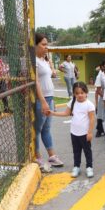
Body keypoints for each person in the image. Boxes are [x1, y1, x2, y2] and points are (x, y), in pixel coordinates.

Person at [51, 82, 95, 177]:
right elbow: (66, 113)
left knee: (87, 151)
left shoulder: (89, 105)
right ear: (74, 94)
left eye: (82, 93)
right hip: (74, 132)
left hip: (85, 133)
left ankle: (89, 167)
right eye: (77, 93)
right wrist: (53, 113)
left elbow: (92, 119)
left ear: (86, 92)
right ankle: (76, 167)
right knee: (76, 151)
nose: (80, 95)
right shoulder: (72, 102)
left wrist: (90, 132)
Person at [34, 33, 64, 172]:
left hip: (50, 98)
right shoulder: (33, 61)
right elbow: (36, 83)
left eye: (47, 44)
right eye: (43, 44)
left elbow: (51, 76)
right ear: (35, 45)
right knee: (37, 129)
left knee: (46, 129)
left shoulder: (43, 60)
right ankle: (37, 157)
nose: (46, 47)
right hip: (43, 99)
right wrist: (43, 101)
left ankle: (51, 156)